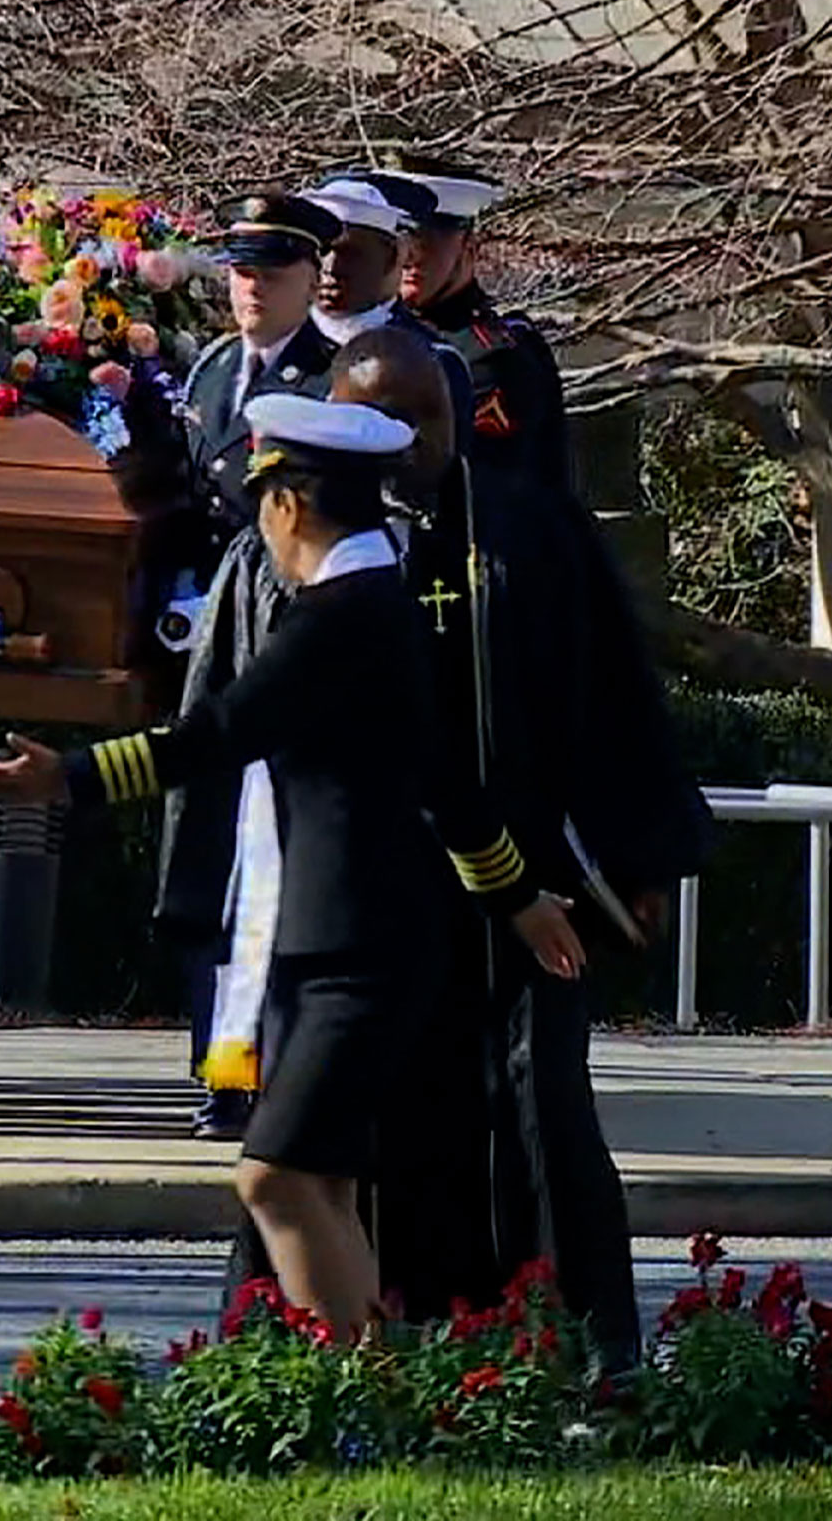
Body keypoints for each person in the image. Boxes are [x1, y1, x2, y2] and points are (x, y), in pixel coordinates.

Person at [0, 396, 542, 1337]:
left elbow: (220, 732)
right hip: (343, 942)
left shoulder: (342, 620)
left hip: (360, 947)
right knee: (323, 1185)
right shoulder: (368, 605)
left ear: (288, 508)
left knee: (273, 1175)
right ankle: (377, 1399)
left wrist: (66, 779)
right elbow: (449, 785)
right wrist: (514, 896)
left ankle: (359, 1395)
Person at [333, 324, 711, 1380]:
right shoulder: (321, 538)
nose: (412, 441)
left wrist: (640, 859)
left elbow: (616, 699)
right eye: (386, 419)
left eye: (430, 419)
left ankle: (596, 1349)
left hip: (533, 889)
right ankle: (408, 1344)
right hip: (379, 895)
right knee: (394, 1118)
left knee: (544, 1105)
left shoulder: (529, 528)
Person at [104, 192, 345, 1142]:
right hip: (203, 642)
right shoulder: (206, 373)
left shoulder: (334, 383)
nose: (251, 288)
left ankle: (261, 1068)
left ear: (311, 278)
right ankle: (219, 1065)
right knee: (207, 861)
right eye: (241, 271)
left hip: (280, 639)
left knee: (269, 867)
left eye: (272, 271)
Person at [373, 157, 574, 496]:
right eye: (399, 238)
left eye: (428, 239)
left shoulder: (489, 355)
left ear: (468, 245)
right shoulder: (375, 333)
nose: (411, 255)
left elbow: (483, 488)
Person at [300, 173, 475, 455]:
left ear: (393, 257)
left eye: (351, 254)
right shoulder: (277, 345)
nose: (330, 267)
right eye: (322, 250)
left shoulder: (432, 361)